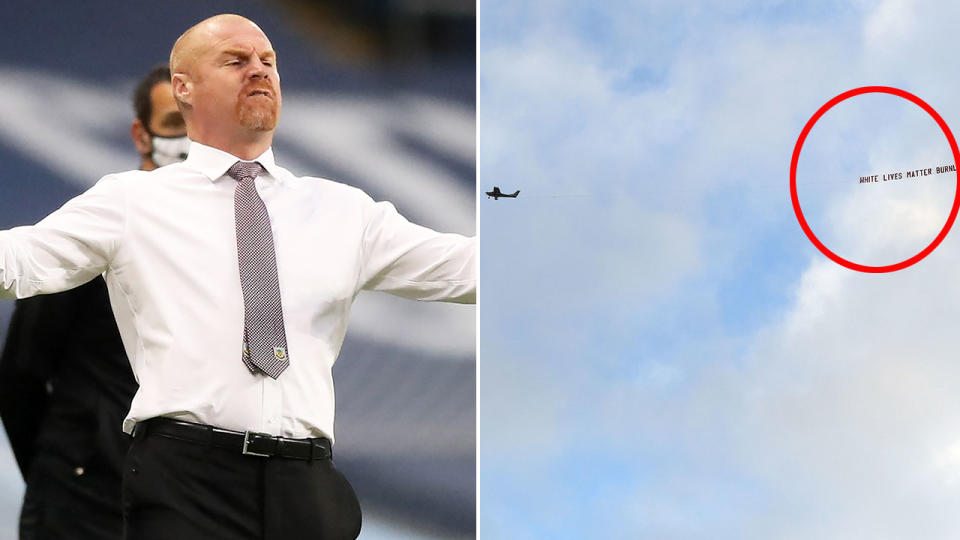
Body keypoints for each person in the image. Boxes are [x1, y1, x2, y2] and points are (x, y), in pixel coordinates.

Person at [0, 13, 475, 540]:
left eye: (268, 61)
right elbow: (19, 261)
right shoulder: (130, 201)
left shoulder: (343, 209)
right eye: (236, 60)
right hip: (187, 478)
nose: (259, 71)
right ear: (184, 87)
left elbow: (468, 271)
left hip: (307, 485)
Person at [0, 64, 188, 540]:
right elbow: (20, 373)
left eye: (197, 126)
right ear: (140, 135)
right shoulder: (96, 229)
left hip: (176, 504)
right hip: (77, 503)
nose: (186, 141)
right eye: (172, 124)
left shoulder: (228, 241)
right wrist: (62, 471)